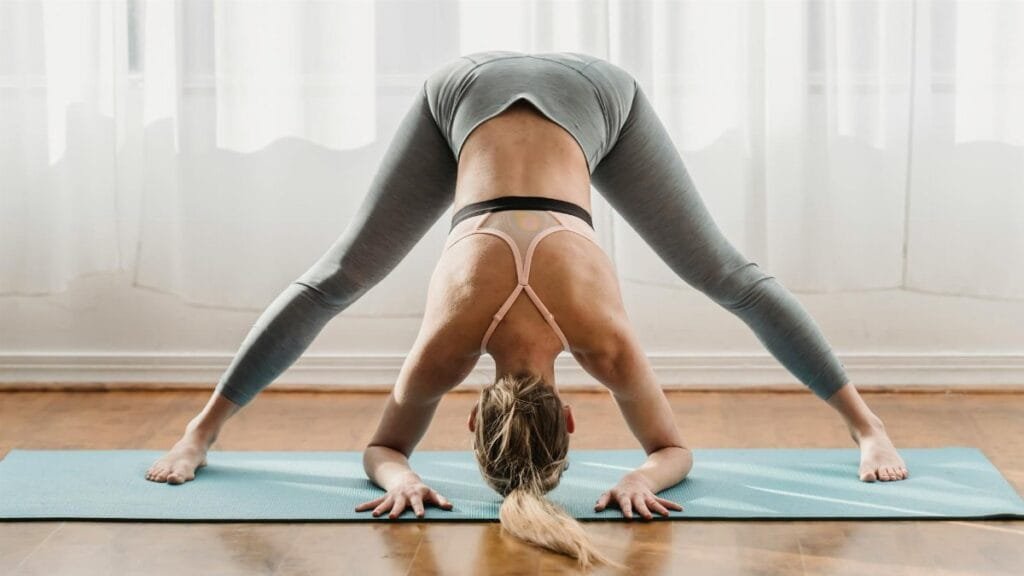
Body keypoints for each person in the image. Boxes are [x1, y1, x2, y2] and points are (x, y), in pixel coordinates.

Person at [145, 50, 909, 568]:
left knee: (340, 276)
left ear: (571, 418)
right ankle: (867, 429)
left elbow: (672, 452)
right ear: (475, 417)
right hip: (502, 91)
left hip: (535, 93)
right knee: (727, 276)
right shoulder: (450, 351)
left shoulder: (601, 349)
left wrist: (645, 475)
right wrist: (398, 475)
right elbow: (383, 449)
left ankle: (197, 433)